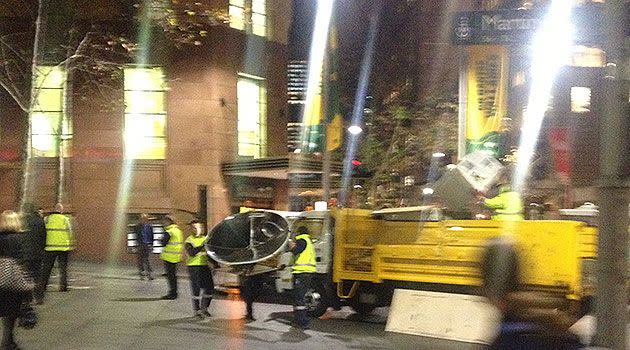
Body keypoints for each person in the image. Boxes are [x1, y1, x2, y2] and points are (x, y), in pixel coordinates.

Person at [0, 210, 32, 350]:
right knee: (10, 316)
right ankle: (8, 342)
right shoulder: (20, 239)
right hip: (13, 283)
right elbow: (24, 262)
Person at [35, 203, 75, 304]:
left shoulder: (47, 219)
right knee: (63, 268)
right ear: (61, 210)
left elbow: (43, 232)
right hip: (63, 248)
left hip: (50, 247)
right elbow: (70, 232)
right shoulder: (65, 219)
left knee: (46, 269)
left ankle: (43, 286)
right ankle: (63, 286)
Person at [288, 225, 316, 330]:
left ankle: (302, 322)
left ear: (299, 232)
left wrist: (289, 242)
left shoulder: (302, 240)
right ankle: (298, 320)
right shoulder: (308, 241)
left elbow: (295, 251)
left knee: (299, 299)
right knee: (298, 298)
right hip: (306, 273)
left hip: (302, 274)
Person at [185, 221, 213, 318]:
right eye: (194, 228)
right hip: (193, 267)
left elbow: (210, 253)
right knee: (196, 289)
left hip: (204, 266)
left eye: (198, 228)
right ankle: (197, 310)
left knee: (210, 288)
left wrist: (215, 263)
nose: (197, 230)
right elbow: (192, 252)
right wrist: (202, 246)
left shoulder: (205, 239)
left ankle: (204, 308)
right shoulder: (189, 240)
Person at [21, 203, 46, 286]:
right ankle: (38, 295)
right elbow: (44, 237)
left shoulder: (22, 221)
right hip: (37, 253)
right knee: (37, 276)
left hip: (24, 253)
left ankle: (25, 294)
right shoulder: (40, 221)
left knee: (24, 275)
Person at [159, 216, 183, 300]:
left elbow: (163, 243)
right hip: (176, 256)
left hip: (169, 257)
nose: (163, 223)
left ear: (169, 222)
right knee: (173, 275)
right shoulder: (178, 231)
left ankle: (172, 293)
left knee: (170, 276)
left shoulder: (169, 231)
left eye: (164, 221)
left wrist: (160, 240)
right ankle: (174, 292)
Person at [135, 213, 154, 280]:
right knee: (140, 260)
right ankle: (141, 273)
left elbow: (152, 236)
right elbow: (136, 236)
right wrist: (136, 245)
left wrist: (151, 244)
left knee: (147, 260)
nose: (143, 220)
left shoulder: (149, 227)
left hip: (147, 244)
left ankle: (149, 274)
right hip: (140, 244)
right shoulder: (137, 226)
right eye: (142, 218)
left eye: (145, 218)